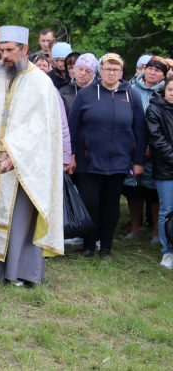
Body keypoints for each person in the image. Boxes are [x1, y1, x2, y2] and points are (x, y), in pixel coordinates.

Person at [0, 26, 64, 285]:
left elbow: (40, 127)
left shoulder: (41, 83)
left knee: (18, 219)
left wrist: (16, 154)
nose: (3, 55)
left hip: (21, 164)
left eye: (9, 50)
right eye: (1, 50)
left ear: (24, 49)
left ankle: (17, 271)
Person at [68, 53, 146, 259]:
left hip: (119, 160)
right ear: (100, 71)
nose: (111, 73)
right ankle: (88, 245)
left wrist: (138, 160)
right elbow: (72, 128)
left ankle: (106, 248)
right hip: (88, 161)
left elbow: (140, 131)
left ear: (121, 72)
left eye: (115, 69)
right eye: (107, 69)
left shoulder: (132, 96)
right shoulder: (85, 95)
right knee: (90, 202)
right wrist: (71, 155)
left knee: (110, 204)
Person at [122, 56, 166, 242]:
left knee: (154, 192)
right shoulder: (130, 89)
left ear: (164, 76)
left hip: (157, 150)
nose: (152, 72)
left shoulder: (165, 92)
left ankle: (157, 232)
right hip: (131, 146)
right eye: (150, 68)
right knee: (133, 189)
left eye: (158, 70)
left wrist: (151, 147)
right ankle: (135, 229)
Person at [144, 78, 173, 269]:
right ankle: (168, 251)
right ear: (164, 90)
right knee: (167, 210)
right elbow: (157, 141)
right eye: (170, 89)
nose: (172, 93)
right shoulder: (154, 109)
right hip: (165, 169)